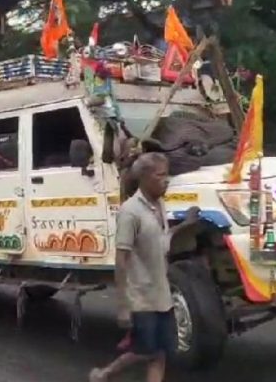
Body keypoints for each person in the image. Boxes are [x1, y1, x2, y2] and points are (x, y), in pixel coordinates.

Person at [89, 152, 200, 382]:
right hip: (141, 298)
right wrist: (122, 306)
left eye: (167, 174)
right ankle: (105, 374)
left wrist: (185, 225)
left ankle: (104, 375)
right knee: (144, 351)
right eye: (160, 175)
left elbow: (163, 239)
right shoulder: (130, 212)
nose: (166, 179)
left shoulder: (159, 204)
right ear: (144, 178)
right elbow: (121, 260)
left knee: (160, 353)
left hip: (163, 296)